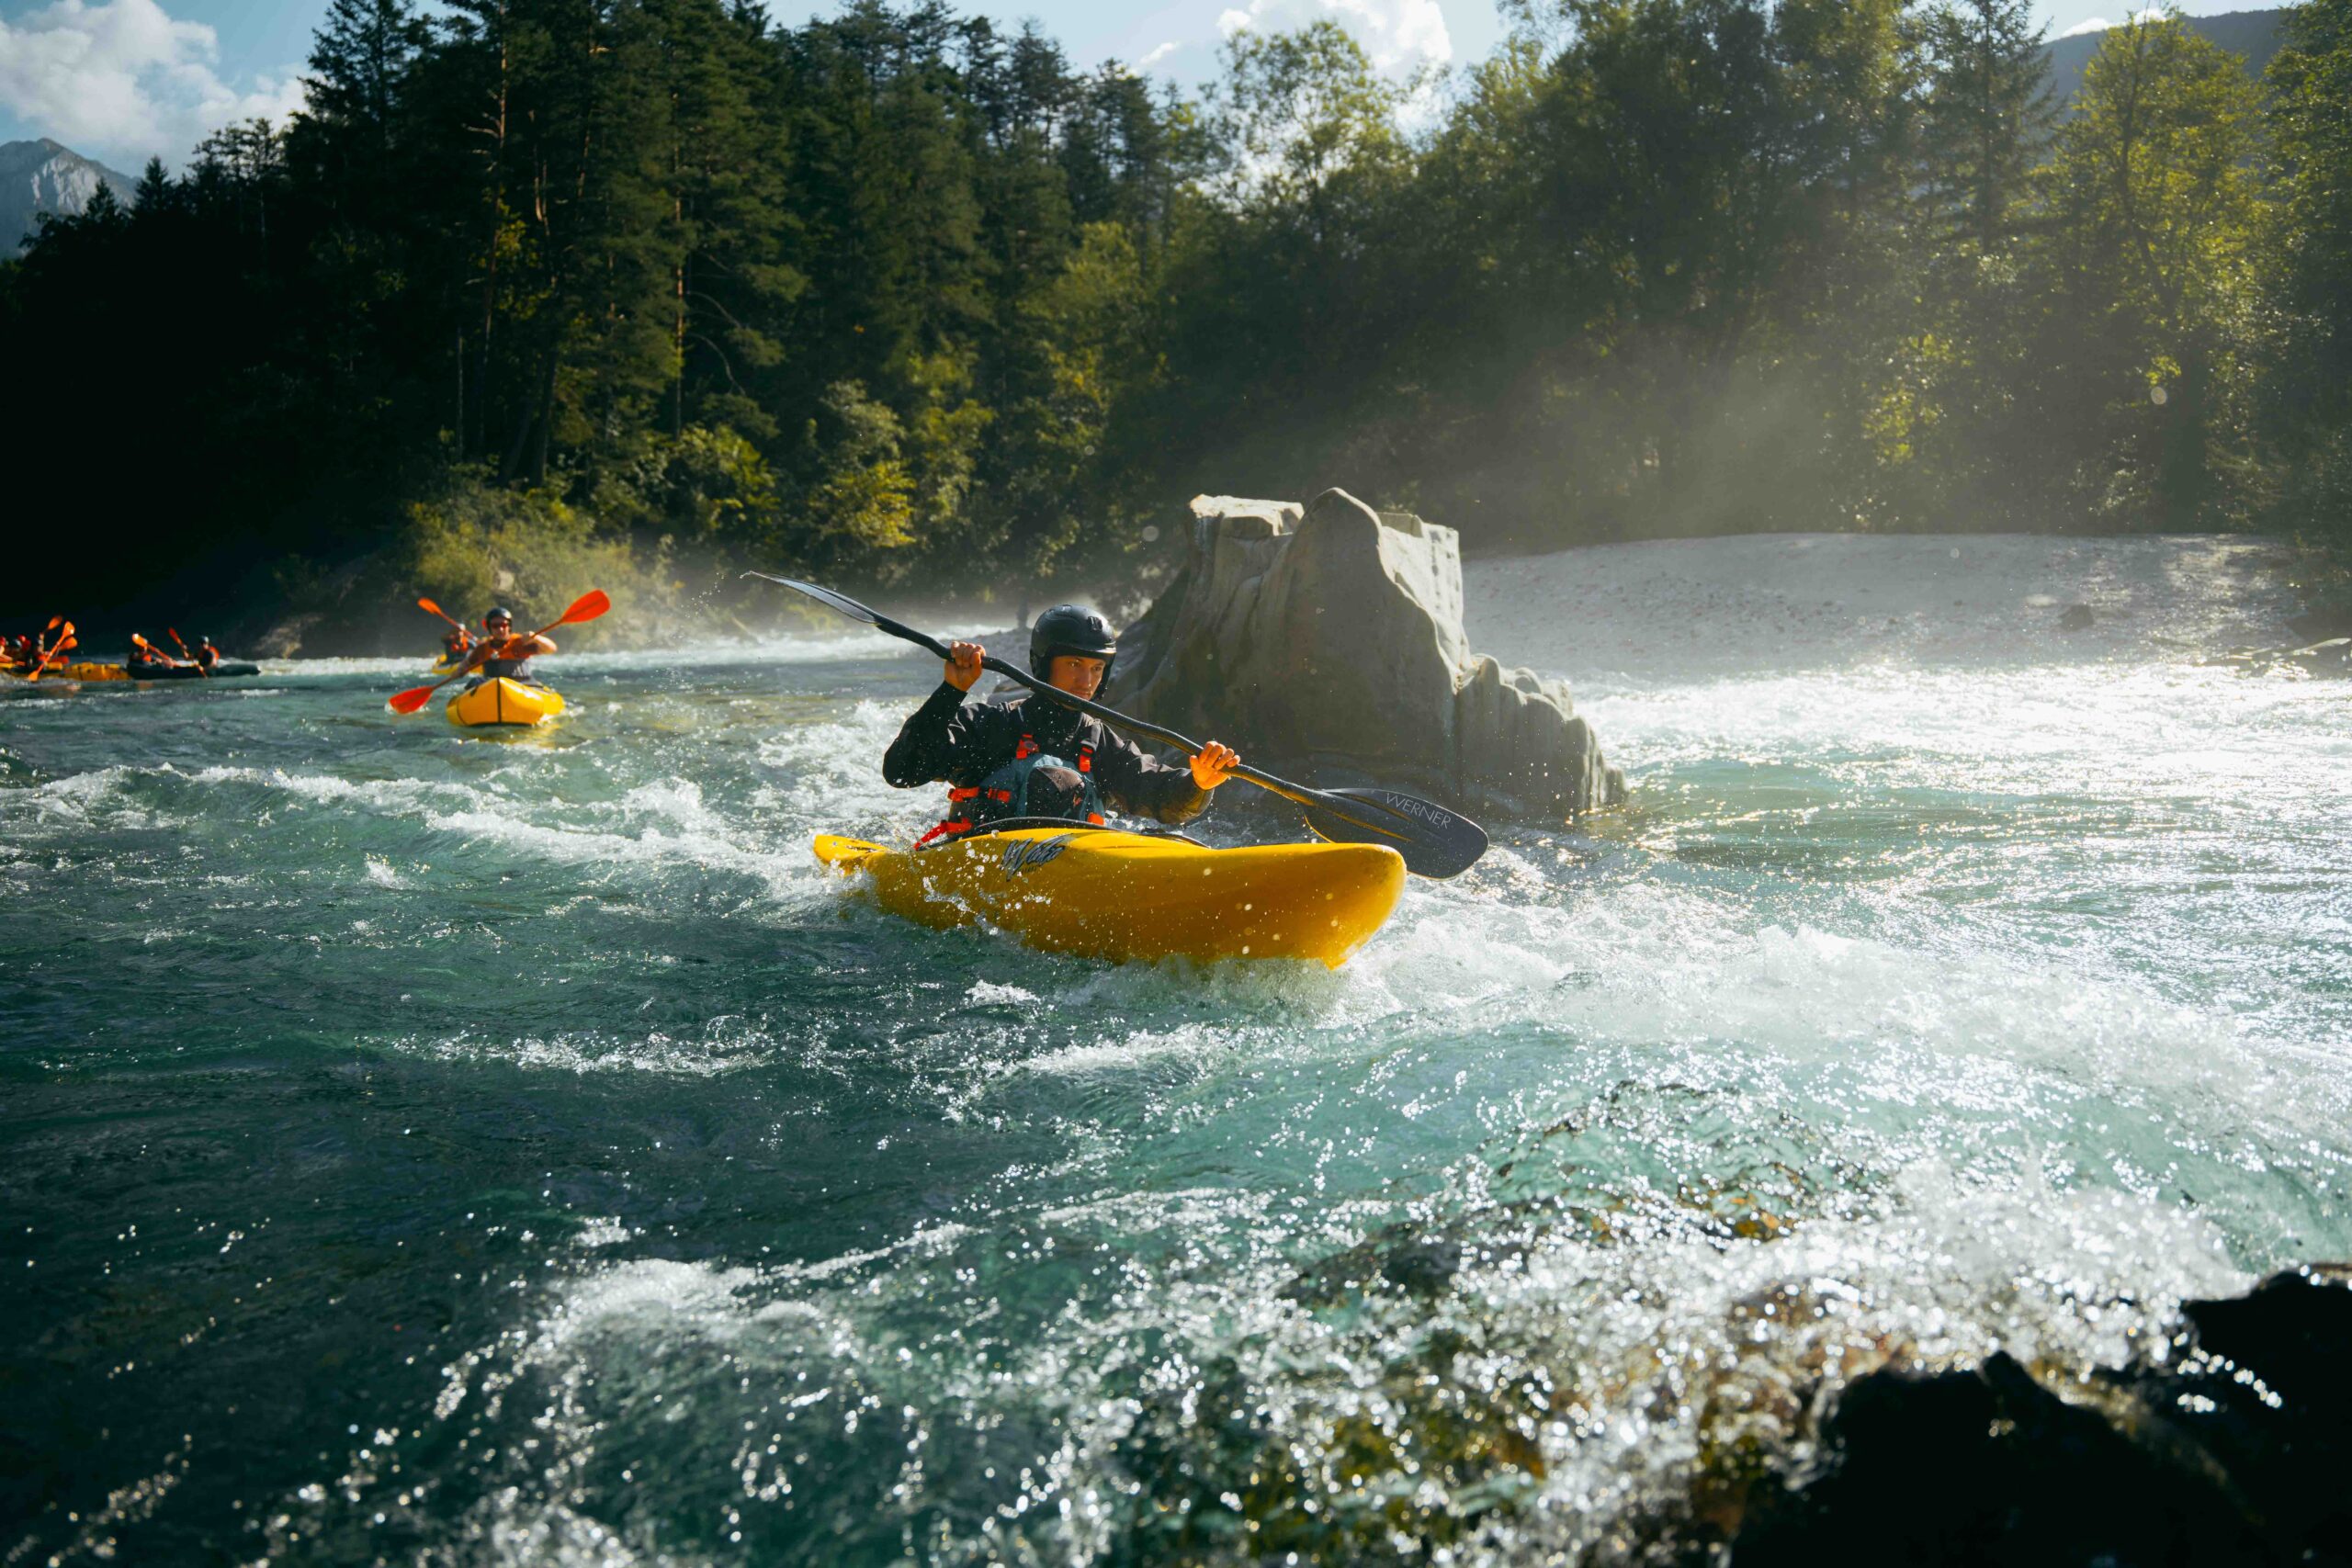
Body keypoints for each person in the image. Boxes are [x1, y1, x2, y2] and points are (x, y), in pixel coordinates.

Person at [884, 604, 1240, 843]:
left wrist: (1198, 782)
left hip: (1069, 876)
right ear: (1043, 664)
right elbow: (902, 770)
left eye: (1096, 668)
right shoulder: (993, 725)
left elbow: (1157, 795)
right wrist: (952, 691)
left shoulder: (1100, 741)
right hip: (978, 870)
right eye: (1074, 664)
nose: (1087, 680)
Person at [458, 606, 556, 685]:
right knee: (475, 682)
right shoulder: (483, 648)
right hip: (491, 686)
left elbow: (551, 649)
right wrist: (460, 670)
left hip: (522, 685)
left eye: (504, 625)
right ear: (489, 627)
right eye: (495, 626)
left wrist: (536, 638)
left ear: (509, 627)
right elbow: (466, 664)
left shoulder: (521, 643)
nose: (500, 629)